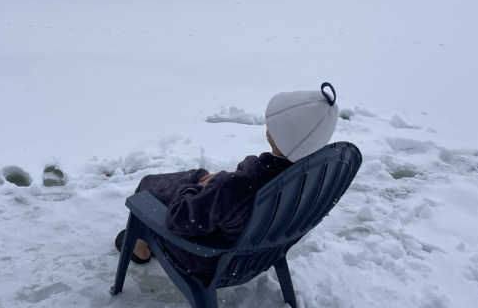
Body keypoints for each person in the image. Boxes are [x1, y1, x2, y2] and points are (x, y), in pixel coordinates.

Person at [115, 82, 339, 282]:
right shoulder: (309, 178)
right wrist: (217, 184)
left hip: (209, 259)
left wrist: (201, 188)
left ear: (281, 135)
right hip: (260, 249)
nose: (268, 125)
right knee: (200, 176)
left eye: (273, 123)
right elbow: (229, 196)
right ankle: (198, 187)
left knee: (147, 188)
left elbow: (178, 220)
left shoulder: (239, 186)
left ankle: (141, 246)